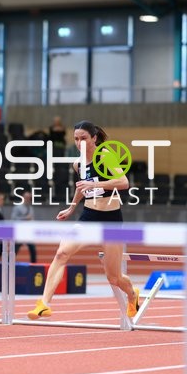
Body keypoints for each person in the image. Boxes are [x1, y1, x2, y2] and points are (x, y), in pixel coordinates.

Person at [27, 120, 141, 321]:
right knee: (62, 253)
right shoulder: (77, 163)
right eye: (76, 139)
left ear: (94, 138)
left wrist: (94, 183)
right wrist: (72, 207)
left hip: (111, 219)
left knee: (113, 277)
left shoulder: (105, 156)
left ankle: (133, 295)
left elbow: (123, 182)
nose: (79, 143)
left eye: (84, 139)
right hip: (89, 216)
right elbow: (82, 188)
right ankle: (44, 304)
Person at [11, 188, 37, 263]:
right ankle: (10, 263)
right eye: (26, 197)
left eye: (29, 198)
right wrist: (25, 218)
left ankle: (34, 265)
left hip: (28, 232)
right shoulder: (17, 207)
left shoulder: (31, 208)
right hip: (20, 232)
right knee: (15, 249)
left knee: (32, 250)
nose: (28, 199)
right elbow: (14, 218)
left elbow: (31, 219)